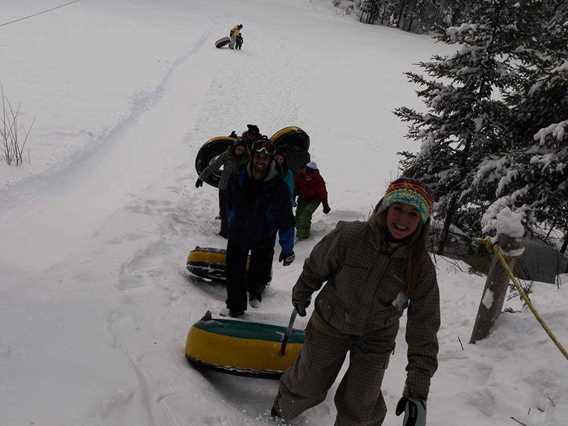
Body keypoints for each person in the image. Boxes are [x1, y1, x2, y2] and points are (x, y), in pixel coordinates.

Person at [272, 177, 440, 426]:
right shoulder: (351, 236)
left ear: (422, 221)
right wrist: (302, 292)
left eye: (413, 214)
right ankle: (278, 416)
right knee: (307, 384)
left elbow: (424, 326)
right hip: (330, 323)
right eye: (398, 209)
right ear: (385, 208)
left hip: (376, 336)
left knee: (362, 403)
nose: (403, 220)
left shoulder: (421, 266)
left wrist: (418, 388)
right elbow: (316, 266)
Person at [223, 138, 296, 316]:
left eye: (264, 158)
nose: (260, 161)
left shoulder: (279, 188)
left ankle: (256, 291)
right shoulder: (238, 178)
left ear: (270, 160)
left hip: (264, 236)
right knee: (234, 273)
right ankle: (236, 308)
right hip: (239, 234)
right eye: (257, 157)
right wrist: (232, 221)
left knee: (260, 272)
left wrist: (287, 249)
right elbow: (229, 204)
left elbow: (286, 220)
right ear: (252, 157)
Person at [195, 138, 249, 238]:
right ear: (234, 148)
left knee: (234, 210)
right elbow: (214, 166)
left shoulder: (245, 159)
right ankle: (224, 232)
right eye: (238, 149)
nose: (239, 152)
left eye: (242, 150)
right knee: (224, 210)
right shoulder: (226, 155)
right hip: (224, 186)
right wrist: (201, 177)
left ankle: (235, 229)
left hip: (237, 188)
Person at [294, 161, 331, 239]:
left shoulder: (318, 180)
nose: (308, 177)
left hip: (315, 199)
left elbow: (323, 194)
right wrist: (293, 198)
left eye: (310, 176)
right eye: (307, 175)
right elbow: (295, 188)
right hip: (303, 197)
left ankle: (304, 235)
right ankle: (299, 232)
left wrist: (325, 206)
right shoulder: (300, 176)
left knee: (306, 213)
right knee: (298, 216)